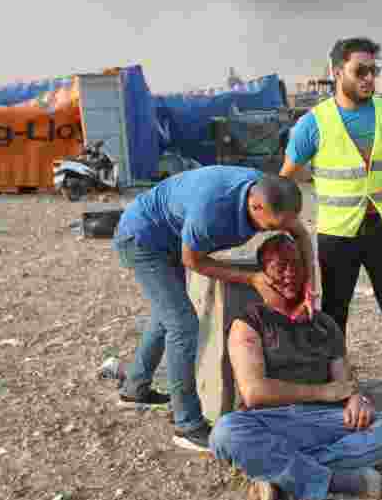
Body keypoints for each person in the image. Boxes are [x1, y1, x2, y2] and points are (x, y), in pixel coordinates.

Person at [279, 37, 382, 405]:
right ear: (338, 72)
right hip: (338, 234)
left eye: (375, 71)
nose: (370, 78)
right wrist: (283, 227)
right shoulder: (313, 124)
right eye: (361, 71)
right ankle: (334, 387)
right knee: (335, 312)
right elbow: (285, 177)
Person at [112, 166, 316, 452]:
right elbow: (193, 261)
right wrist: (253, 278)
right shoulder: (212, 211)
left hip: (170, 234)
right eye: (270, 227)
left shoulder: (274, 194)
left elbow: (302, 237)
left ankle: (135, 389)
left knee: (166, 315)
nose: (274, 231)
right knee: (183, 327)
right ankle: (187, 425)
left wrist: (309, 286)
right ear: (255, 205)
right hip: (143, 240)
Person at [211, 234, 382, 500]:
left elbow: (345, 382)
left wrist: (355, 400)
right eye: (280, 267)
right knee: (226, 432)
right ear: (263, 275)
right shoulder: (249, 322)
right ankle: (333, 479)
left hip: (321, 420)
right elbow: (255, 392)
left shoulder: (325, 324)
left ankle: (281, 472)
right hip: (271, 422)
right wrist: (325, 392)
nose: (290, 273)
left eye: (297, 265)